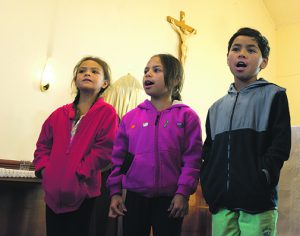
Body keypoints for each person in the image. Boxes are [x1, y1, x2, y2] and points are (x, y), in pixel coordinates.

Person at [200, 27, 291, 236]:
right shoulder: (215, 108)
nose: (242, 54)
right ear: (228, 58)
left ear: (264, 62)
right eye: (236, 49)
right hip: (222, 203)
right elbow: (208, 151)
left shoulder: (274, 95)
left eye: (251, 50)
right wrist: (209, 183)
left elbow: (280, 144)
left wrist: (263, 176)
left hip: (258, 202)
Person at [107, 53, 202, 236]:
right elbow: (118, 159)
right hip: (135, 197)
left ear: (175, 79)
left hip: (171, 199)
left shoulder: (187, 116)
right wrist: (115, 192)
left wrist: (182, 193)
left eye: (156, 70)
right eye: (146, 70)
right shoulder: (130, 118)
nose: (148, 74)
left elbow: (193, 160)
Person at [33, 56, 119, 236]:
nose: (87, 73)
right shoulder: (59, 114)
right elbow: (43, 145)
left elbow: (105, 150)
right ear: (75, 80)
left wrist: (80, 172)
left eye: (94, 71)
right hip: (53, 195)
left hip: (84, 193)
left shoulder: (107, 113)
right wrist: (44, 170)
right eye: (82, 70)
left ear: (104, 83)